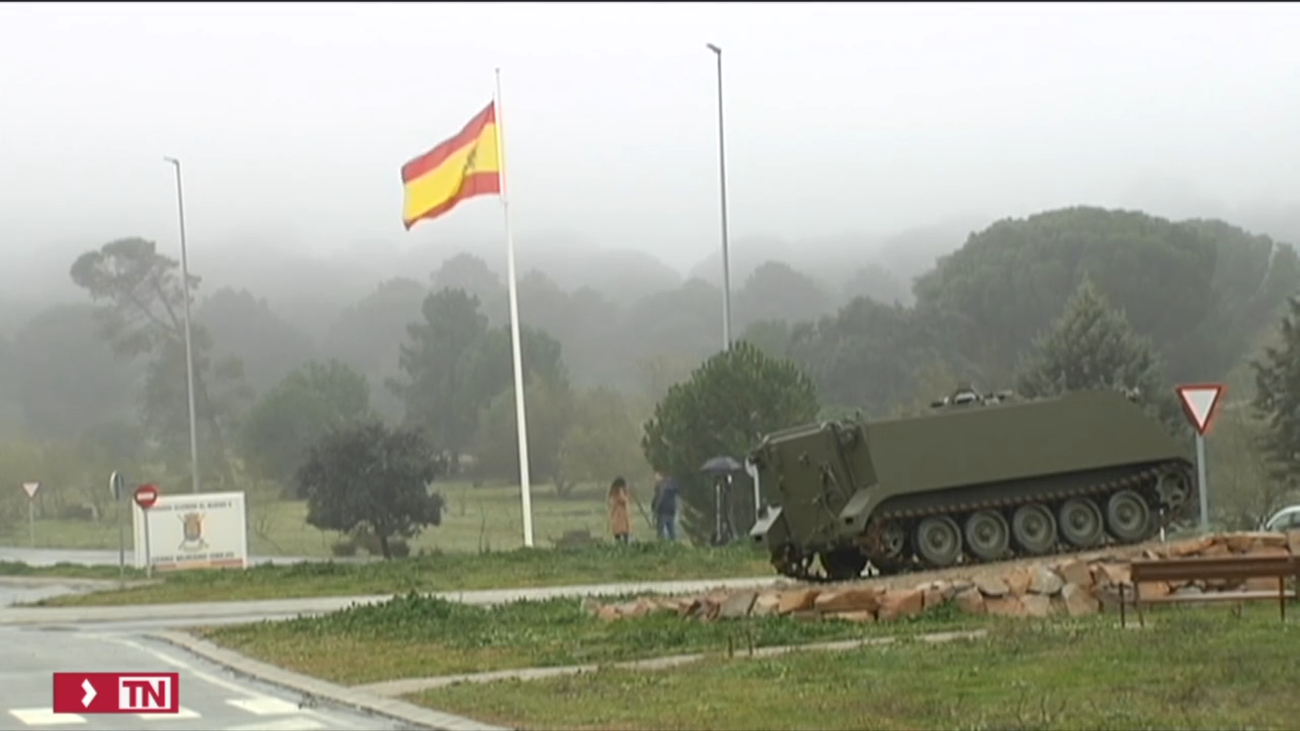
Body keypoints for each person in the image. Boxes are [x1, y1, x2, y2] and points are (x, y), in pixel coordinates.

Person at [651, 472, 679, 542]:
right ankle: (673, 545)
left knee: (660, 532)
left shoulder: (660, 486)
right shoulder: (672, 485)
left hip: (662, 511)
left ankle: (662, 545)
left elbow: (659, 499)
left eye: (656, 476)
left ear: (661, 476)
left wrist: (654, 509)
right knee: (671, 531)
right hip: (671, 510)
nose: (655, 478)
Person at [608, 476, 631, 544]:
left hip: (617, 513)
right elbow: (622, 499)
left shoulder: (613, 491)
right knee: (623, 531)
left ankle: (620, 543)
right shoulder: (618, 491)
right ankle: (623, 544)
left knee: (619, 532)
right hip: (620, 513)